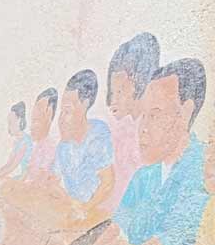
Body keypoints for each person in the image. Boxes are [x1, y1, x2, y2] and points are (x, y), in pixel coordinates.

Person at [80, 59, 209, 245]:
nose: (143, 128)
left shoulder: (203, 173)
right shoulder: (144, 176)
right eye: (144, 116)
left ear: (185, 113)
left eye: (155, 115)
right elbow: (116, 227)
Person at [52, 69, 116, 220]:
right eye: (61, 112)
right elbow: (52, 181)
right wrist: (69, 202)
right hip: (72, 212)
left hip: (95, 215)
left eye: (67, 111)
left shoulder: (98, 134)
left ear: (84, 106)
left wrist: (85, 208)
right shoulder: (64, 146)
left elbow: (107, 183)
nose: (61, 119)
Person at [106, 33, 160, 207]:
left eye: (120, 92)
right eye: (113, 92)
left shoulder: (154, 133)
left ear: (140, 82)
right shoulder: (121, 131)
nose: (113, 101)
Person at [24, 87, 60, 182]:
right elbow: (29, 173)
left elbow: (41, 177)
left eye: (36, 121)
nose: (31, 127)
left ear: (49, 114)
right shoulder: (38, 144)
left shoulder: (50, 146)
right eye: (32, 120)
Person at [0, 102, 32, 178]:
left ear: (19, 121)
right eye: (8, 123)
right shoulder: (17, 142)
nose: (9, 127)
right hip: (23, 176)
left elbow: (13, 166)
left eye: (11, 123)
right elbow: (9, 163)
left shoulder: (25, 142)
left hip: (28, 178)